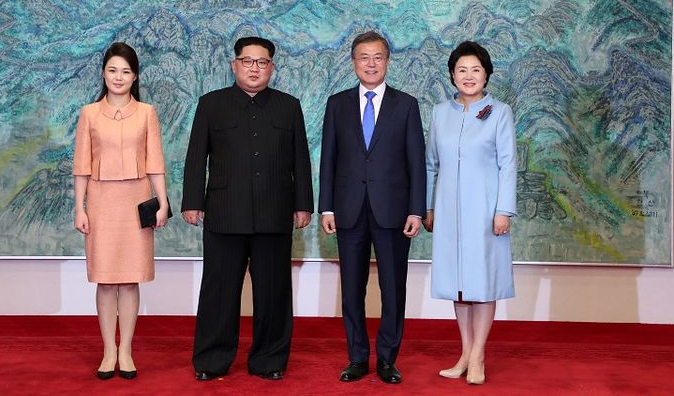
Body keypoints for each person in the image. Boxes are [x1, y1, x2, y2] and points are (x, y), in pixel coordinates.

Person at [182, 36, 314, 382]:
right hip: (224, 213)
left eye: (262, 62)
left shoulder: (289, 106)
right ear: (234, 65)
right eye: (247, 61)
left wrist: (303, 204)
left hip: (275, 213)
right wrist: (192, 201)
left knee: (273, 292)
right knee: (219, 290)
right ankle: (212, 360)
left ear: (272, 67)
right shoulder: (211, 104)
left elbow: (301, 158)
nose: (254, 68)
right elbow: (197, 156)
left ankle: (269, 360)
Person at [319, 30, 426, 384]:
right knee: (352, 288)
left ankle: (386, 359)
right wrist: (326, 207)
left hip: (394, 211)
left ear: (387, 61)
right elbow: (328, 160)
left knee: (393, 288)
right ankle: (357, 357)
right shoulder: (336, 104)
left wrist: (416, 209)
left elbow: (416, 161)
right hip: (348, 210)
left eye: (377, 57)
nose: (371, 63)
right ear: (353, 62)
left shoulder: (406, 105)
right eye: (364, 57)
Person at [73, 42, 169, 380]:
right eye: (113, 70)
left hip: (136, 201)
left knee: (129, 280)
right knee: (105, 279)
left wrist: (163, 202)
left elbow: (155, 162)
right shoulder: (88, 113)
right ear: (103, 73)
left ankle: (126, 349)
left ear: (135, 76)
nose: (119, 77)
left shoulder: (147, 112)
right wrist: (79, 208)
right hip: (100, 202)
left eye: (126, 71)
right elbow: (81, 165)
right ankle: (107, 350)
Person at [423, 40, 517, 385]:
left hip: (485, 213)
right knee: (459, 287)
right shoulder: (440, 113)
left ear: (486, 74)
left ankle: (478, 355)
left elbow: (508, 165)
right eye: (462, 70)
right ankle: (464, 352)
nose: (468, 76)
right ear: (452, 74)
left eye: (476, 69)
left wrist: (503, 210)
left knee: (483, 283)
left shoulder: (500, 112)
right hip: (447, 214)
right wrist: (428, 207)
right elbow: (430, 164)